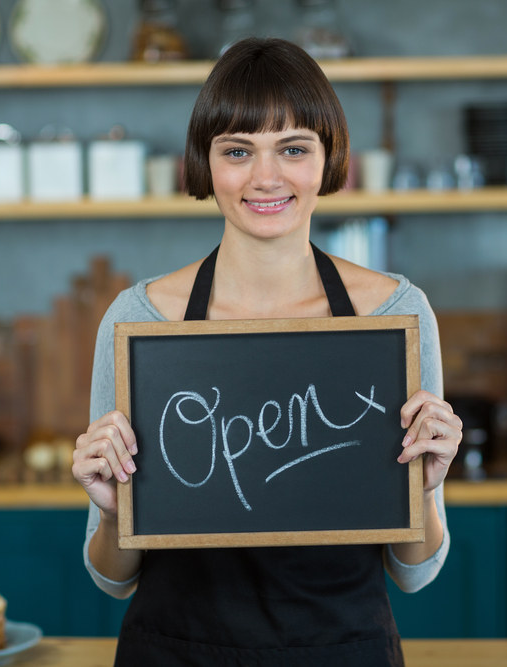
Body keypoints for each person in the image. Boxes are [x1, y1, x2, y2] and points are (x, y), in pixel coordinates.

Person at [72, 36, 462, 667]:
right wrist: (116, 513)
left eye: (293, 148)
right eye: (237, 150)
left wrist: (424, 487)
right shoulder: (141, 322)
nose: (266, 177)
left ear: (328, 159)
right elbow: (111, 578)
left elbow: (414, 574)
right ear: (205, 164)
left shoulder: (395, 316)